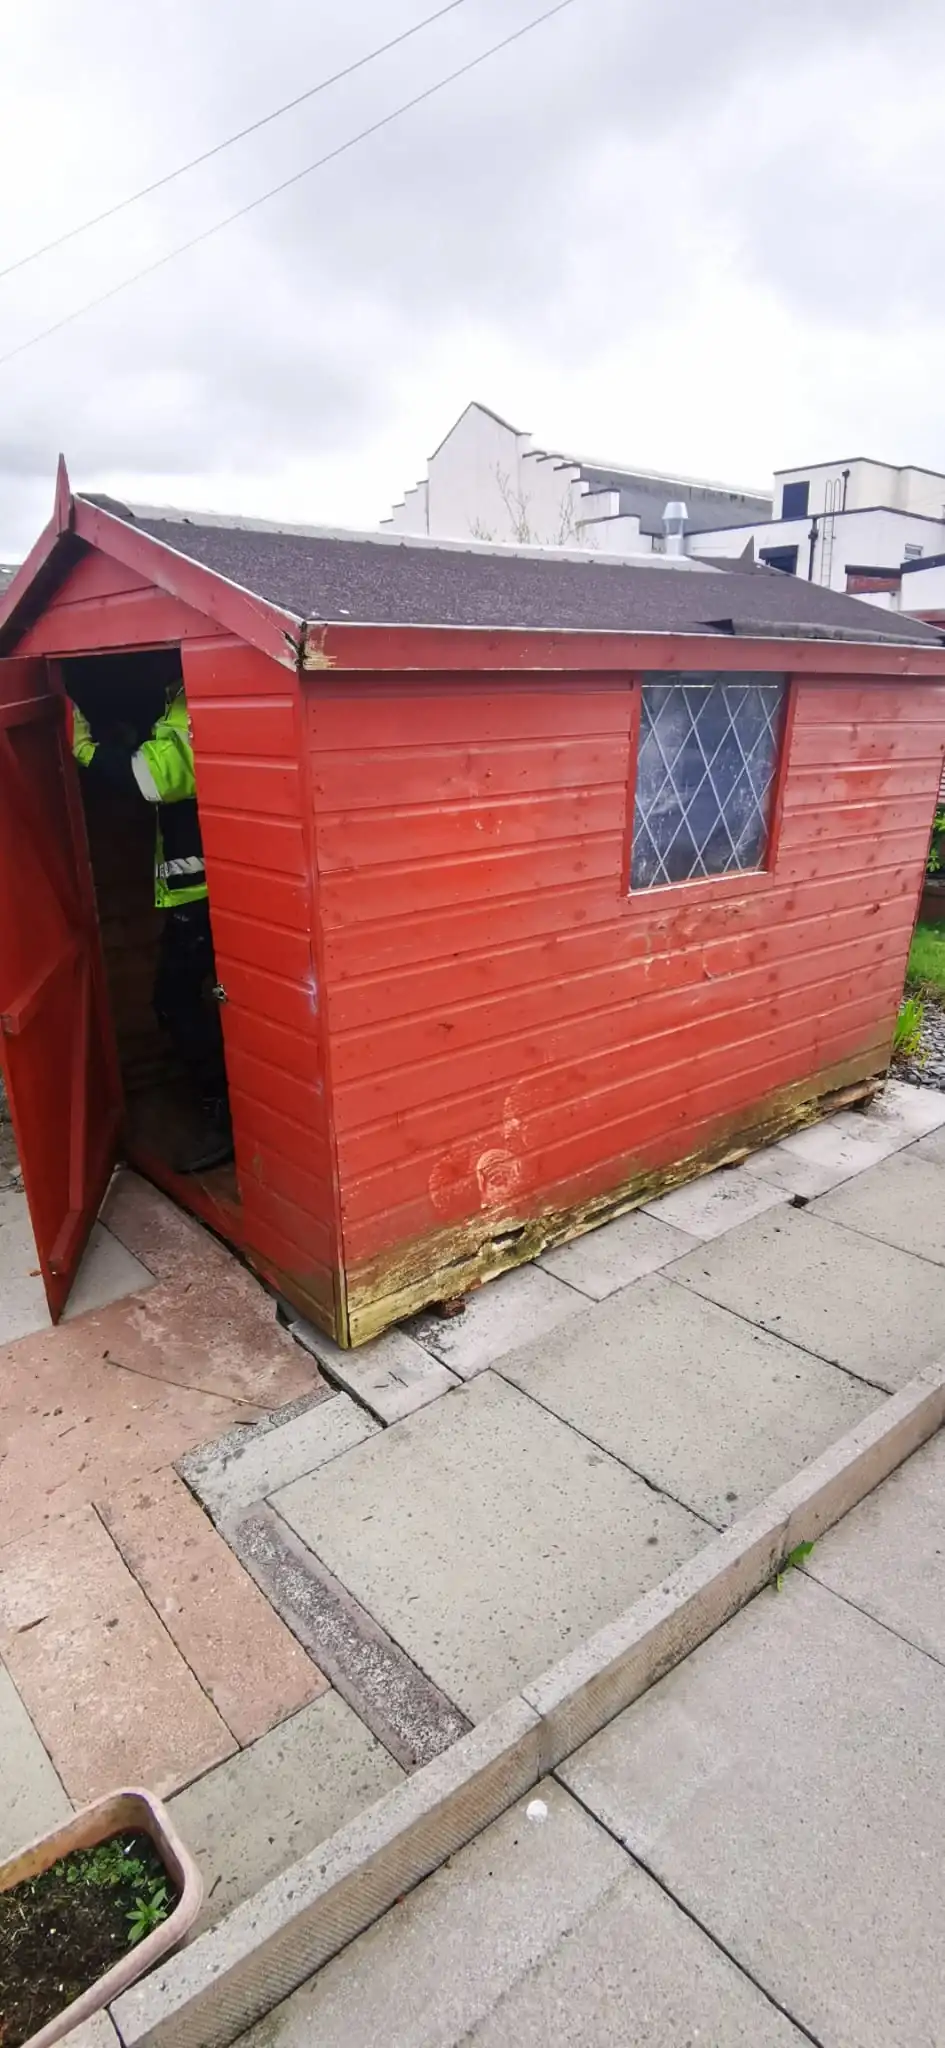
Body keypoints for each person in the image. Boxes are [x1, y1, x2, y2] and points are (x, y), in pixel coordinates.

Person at [70, 683, 234, 1173]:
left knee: (178, 1000)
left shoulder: (197, 696)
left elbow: (154, 777)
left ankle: (223, 1112)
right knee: (191, 1000)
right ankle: (223, 1101)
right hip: (196, 892)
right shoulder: (173, 695)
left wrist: (82, 747)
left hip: (207, 894)